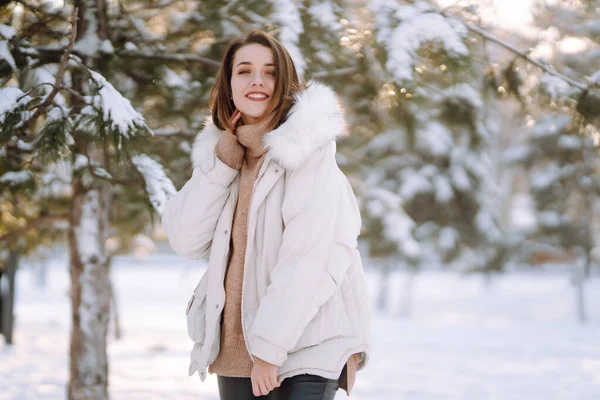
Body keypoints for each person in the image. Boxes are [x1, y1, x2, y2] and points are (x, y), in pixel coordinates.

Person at [162, 29, 372, 400]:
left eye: (270, 72)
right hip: (236, 347)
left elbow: (308, 258)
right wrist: (222, 164)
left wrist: (269, 350)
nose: (257, 80)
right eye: (244, 71)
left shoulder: (307, 150)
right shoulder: (225, 154)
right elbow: (186, 238)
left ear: (284, 82)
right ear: (228, 84)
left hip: (308, 342)